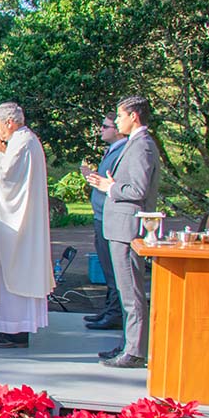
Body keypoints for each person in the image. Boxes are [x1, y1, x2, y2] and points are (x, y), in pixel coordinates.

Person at [87, 96, 161, 368]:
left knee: (131, 292)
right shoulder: (135, 144)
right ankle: (129, 344)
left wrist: (111, 188)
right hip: (119, 226)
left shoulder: (143, 146)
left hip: (128, 227)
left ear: (134, 116)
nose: (117, 122)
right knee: (125, 289)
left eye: (120, 116)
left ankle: (135, 351)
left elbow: (139, 190)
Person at [0, 102, 55, 349]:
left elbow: (4, 177)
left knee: (12, 274)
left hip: (16, 225)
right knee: (10, 273)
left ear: (10, 123)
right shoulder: (25, 141)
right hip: (18, 221)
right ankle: (10, 328)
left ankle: (13, 330)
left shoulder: (21, 143)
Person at [81, 116, 128, 331]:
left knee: (113, 269)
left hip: (110, 216)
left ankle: (115, 313)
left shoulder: (123, 151)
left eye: (105, 126)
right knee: (108, 266)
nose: (100, 130)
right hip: (102, 215)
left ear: (118, 130)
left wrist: (102, 183)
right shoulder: (112, 150)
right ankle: (109, 309)